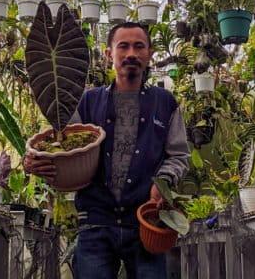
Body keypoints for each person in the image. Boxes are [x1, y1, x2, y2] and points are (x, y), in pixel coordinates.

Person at [24, 21, 190, 279]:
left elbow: (179, 154)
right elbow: (60, 147)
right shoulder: (88, 102)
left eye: (139, 47)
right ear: (109, 54)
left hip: (145, 221)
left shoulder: (165, 103)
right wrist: (34, 162)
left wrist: (164, 181)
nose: (131, 54)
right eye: (123, 46)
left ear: (149, 54)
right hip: (95, 221)